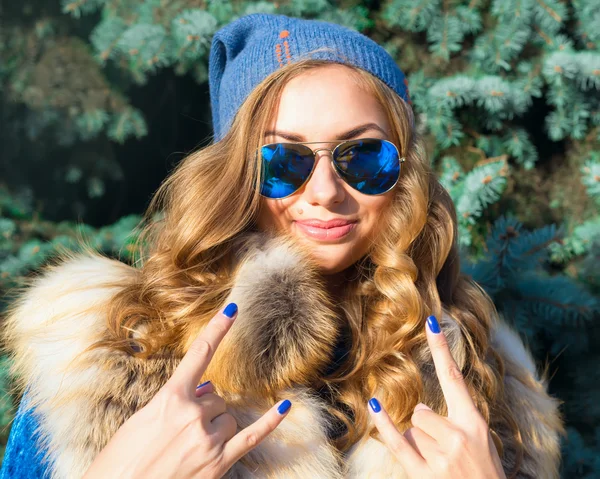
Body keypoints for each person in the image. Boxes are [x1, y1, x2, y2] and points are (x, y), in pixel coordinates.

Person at [1, 12, 563, 479]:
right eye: (282, 162)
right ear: (235, 179)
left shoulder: (484, 385)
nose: (324, 192)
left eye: (363, 158)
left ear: (404, 176)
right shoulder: (109, 356)